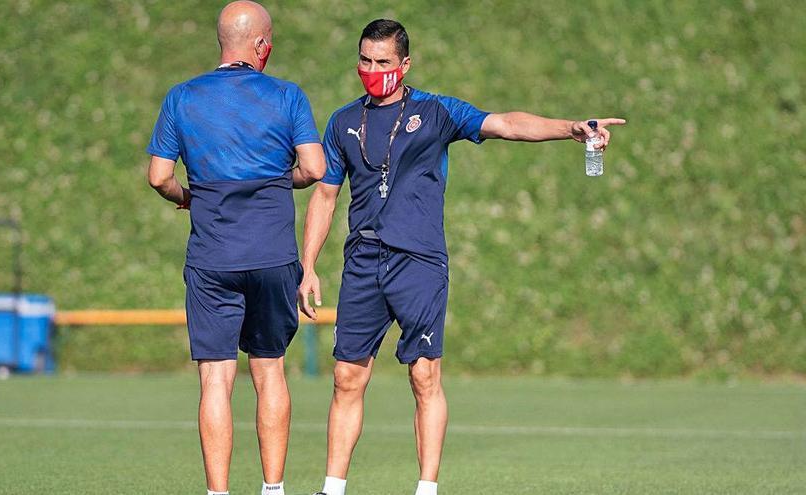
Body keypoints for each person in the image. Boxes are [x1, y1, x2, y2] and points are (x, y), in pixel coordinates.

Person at [298, 19, 625, 495]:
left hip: (420, 262)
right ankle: (332, 488)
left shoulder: (436, 112)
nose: (373, 70)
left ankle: (426, 488)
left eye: (384, 62)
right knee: (347, 377)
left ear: (405, 64)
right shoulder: (344, 120)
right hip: (363, 259)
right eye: (366, 62)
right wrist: (308, 264)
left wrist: (569, 129)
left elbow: (506, 123)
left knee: (424, 374)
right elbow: (325, 196)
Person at [146, 2, 326, 495]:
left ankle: (218, 493)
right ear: (262, 45)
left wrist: (187, 196)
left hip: (212, 259)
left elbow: (158, 176)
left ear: (222, 42)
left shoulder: (182, 97)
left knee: (216, 381)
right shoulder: (288, 96)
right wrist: (276, 181)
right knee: (270, 372)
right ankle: (273, 489)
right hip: (272, 256)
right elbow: (313, 168)